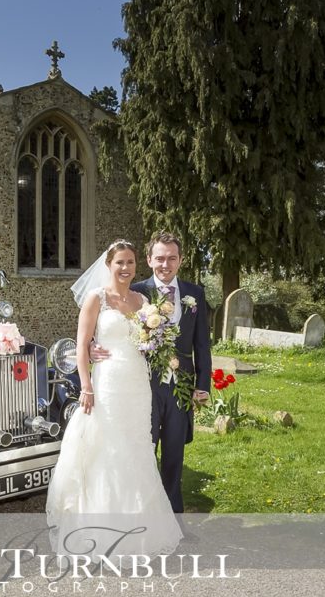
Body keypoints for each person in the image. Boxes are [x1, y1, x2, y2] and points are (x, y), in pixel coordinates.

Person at [45, 240, 182, 558]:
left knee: (137, 449)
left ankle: (141, 530)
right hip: (106, 385)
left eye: (131, 262)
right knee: (108, 450)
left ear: (137, 266)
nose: (125, 268)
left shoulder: (142, 300)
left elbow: (148, 342)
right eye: (120, 262)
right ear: (108, 265)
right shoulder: (96, 299)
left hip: (137, 383)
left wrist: (153, 340)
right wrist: (86, 386)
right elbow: (81, 345)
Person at [130, 232, 211, 516]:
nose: (166, 264)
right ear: (150, 259)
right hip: (145, 384)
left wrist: (203, 385)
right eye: (160, 258)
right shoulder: (136, 291)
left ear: (180, 260)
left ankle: (173, 513)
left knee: (175, 450)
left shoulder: (195, 294)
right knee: (146, 448)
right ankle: (146, 512)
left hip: (181, 386)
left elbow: (202, 344)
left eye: (172, 258)